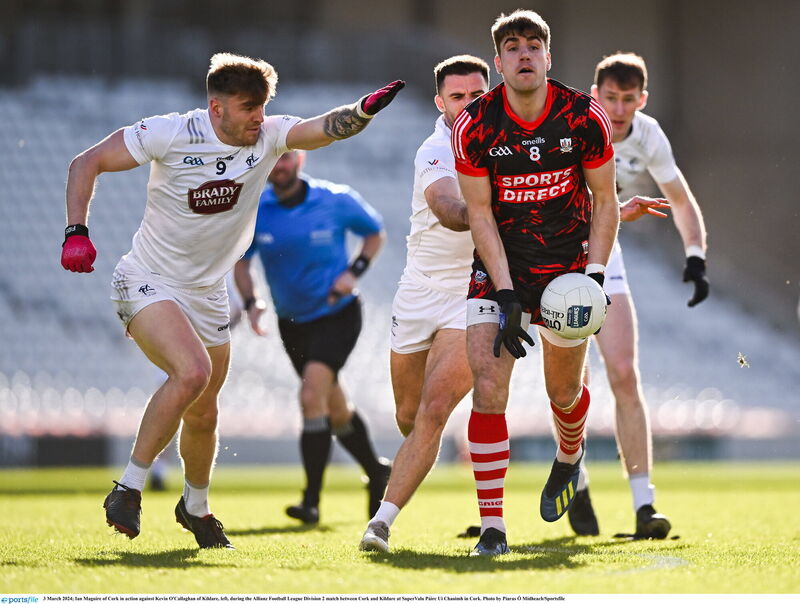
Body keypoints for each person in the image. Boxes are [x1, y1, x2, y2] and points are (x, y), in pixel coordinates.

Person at [60, 51, 404, 549]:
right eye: (248, 109)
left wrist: (364, 110)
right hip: (147, 278)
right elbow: (85, 162)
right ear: (216, 107)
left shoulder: (267, 136)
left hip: (206, 294)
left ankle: (195, 507)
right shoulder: (170, 133)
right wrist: (76, 230)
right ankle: (130, 486)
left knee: (204, 411)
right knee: (193, 373)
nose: (259, 120)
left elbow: (325, 128)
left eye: (263, 108)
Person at [452, 10, 620, 556]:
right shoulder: (475, 125)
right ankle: (493, 529)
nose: (523, 55)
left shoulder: (582, 116)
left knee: (562, 393)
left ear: (548, 57)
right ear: (498, 61)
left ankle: (570, 455)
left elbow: (606, 202)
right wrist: (503, 293)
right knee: (489, 386)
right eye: (512, 47)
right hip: (501, 269)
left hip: (568, 272)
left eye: (533, 46)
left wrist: (593, 277)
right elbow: (478, 215)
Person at [566, 51, 709, 540]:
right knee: (569, 384)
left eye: (629, 99)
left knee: (624, 373)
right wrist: (608, 210)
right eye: (611, 98)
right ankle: (576, 481)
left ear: (642, 99)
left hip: (606, 249)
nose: (620, 109)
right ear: (595, 95)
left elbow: (681, 200)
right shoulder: (576, 125)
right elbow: (549, 197)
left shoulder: (648, 134)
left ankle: (644, 505)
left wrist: (695, 256)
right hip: (554, 252)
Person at [359, 55, 490, 553]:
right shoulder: (435, 148)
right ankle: (437, 452)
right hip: (417, 291)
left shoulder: (514, 146)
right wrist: (485, 211)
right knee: (410, 418)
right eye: (458, 97)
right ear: (440, 103)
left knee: (434, 409)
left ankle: (380, 523)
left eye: (477, 95)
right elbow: (446, 207)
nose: (468, 105)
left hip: (472, 293)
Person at [233, 150, 390, 525]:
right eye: (273, 160)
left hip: (338, 314)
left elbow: (375, 233)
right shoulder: (257, 209)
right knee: (333, 406)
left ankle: (311, 502)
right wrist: (252, 301)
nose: (280, 166)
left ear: (299, 160)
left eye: (286, 158)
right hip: (293, 324)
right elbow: (241, 260)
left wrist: (355, 272)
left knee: (309, 395)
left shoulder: (334, 199)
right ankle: (376, 469)